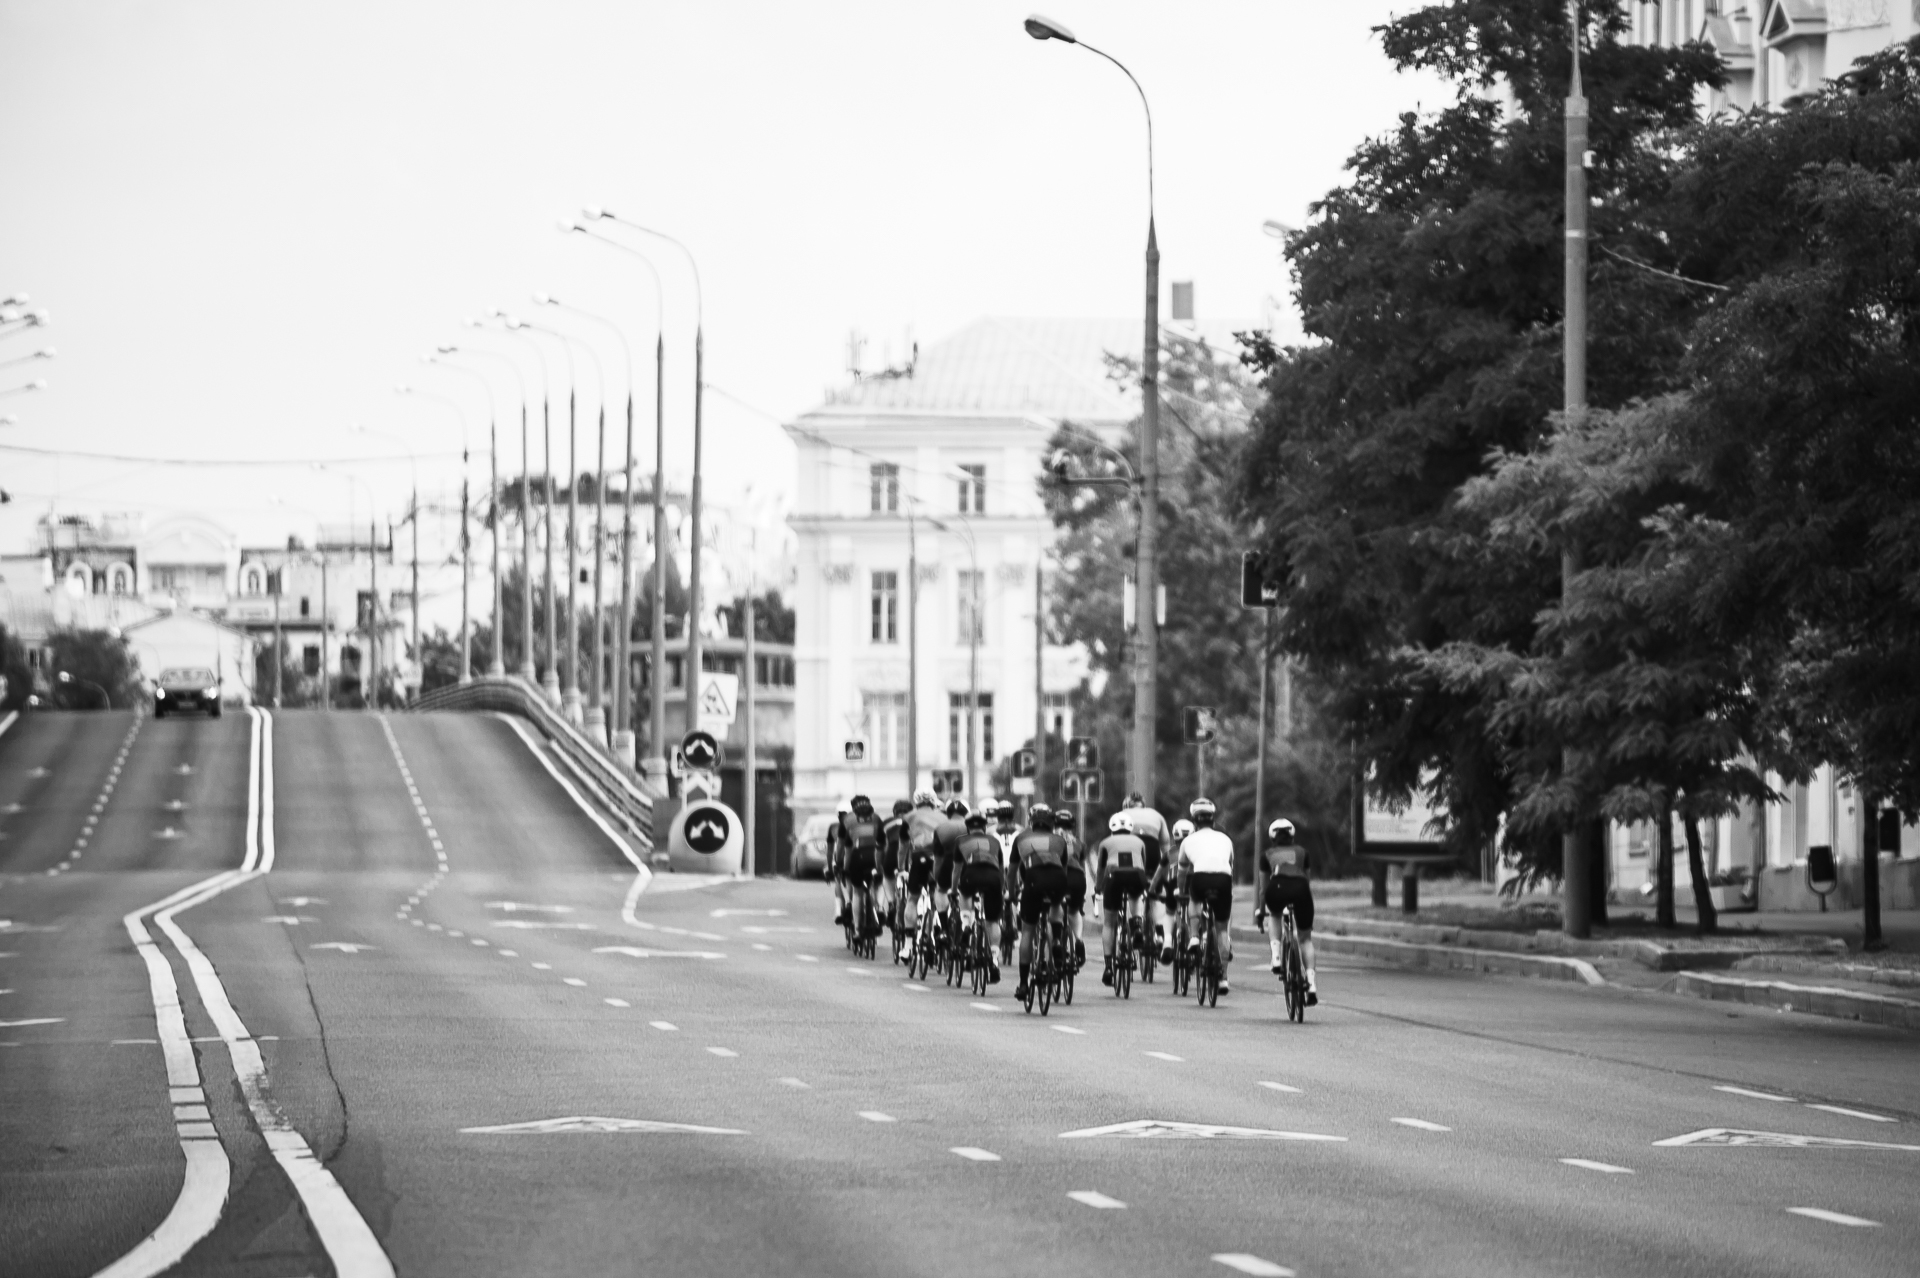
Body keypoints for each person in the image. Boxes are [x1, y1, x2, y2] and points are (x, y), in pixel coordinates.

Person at [1007, 803, 1071, 1001]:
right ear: (1052, 824)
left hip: (1033, 880)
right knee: (1056, 905)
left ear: (1032, 823)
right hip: (1057, 878)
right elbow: (1065, 868)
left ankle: (1024, 984)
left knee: (1027, 930)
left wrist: (1011, 892)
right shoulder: (1060, 840)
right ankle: (1058, 940)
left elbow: (1012, 872)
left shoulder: (1021, 839)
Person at [1178, 797, 1236, 994]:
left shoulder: (1188, 841)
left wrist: (1181, 891)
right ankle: (1224, 979)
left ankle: (1194, 936)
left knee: (1194, 900)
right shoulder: (1225, 839)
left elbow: (1182, 871)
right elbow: (1230, 866)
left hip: (1201, 878)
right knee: (1222, 931)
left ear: (1194, 820)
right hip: (1223, 880)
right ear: (1213, 819)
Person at [941, 808, 1004, 983]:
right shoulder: (994, 841)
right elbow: (1001, 869)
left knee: (965, 894)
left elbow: (956, 870)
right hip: (993, 878)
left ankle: (967, 925)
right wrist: (1003, 889)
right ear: (984, 827)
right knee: (992, 922)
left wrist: (954, 890)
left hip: (971, 876)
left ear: (968, 827)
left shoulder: (961, 841)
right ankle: (993, 959)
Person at [1258, 817, 1317, 1005]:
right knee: (1305, 939)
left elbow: (1263, 888)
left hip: (1277, 888)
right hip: (1301, 890)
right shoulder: (1303, 852)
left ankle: (1276, 957)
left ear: (1272, 837)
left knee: (1274, 914)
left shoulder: (1266, 854)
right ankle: (1312, 983)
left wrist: (1261, 911)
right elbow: (1307, 881)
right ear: (1292, 835)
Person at [1095, 810, 1150, 987]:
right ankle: (1137, 925)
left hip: (1114, 876)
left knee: (1109, 923)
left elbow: (1101, 869)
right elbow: (1143, 864)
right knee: (1135, 895)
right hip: (1137, 875)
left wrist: (1098, 888)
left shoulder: (1105, 843)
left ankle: (1109, 966)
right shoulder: (1140, 841)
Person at [1121, 793, 1173, 962]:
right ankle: (1159, 931)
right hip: (1152, 850)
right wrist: (1164, 871)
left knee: (1134, 891)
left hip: (1133, 849)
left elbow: (1116, 843)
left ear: (1127, 805)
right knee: (1156, 892)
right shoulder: (1156, 815)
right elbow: (1166, 846)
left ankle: (1136, 925)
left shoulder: (1123, 815)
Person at [842, 796, 886, 937]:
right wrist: (880, 866)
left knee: (857, 892)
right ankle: (878, 908)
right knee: (876, 883)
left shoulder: (848, 820)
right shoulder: (877, 818)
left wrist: (844, 868)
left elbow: (846, 849)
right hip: (874, 855)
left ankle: (857, 929)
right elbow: (882, 844)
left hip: (857, 856)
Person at [878, 798, 912, 941]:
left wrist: (879, 865)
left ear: (894, 812)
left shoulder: (887, 822)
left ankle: (891, 903)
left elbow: (880, 846)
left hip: (892, 854)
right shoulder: (914, 820)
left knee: (886, 878)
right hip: (910, 855)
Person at [830, 798, 853, 926]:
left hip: (846, 858)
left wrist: (835, 863)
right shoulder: (860, 822)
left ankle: (839, 909)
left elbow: (839, 847)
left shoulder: (838, 827)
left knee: (840, 878)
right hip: (866, 858)